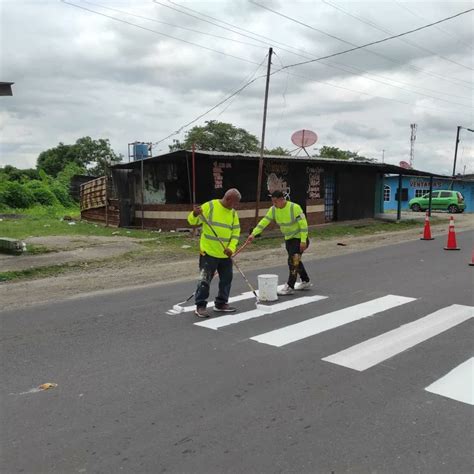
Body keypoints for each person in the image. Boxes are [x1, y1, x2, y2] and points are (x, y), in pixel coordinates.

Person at [187, 188, 241, 318]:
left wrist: (231, 248)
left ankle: (221, 303)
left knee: (227, 279)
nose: (236, 206)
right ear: (228, 199)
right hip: (209, 252)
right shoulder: (210, 206)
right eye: (235, 203)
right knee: (205, 279)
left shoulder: (233, 214)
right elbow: (192, 221)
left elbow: (235, 233)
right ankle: (200, 305)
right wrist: (194, 214)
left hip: (225, 254)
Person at [247, 190, 311, 295]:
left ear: (282, 199)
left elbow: (303, 225)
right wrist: (253, 234)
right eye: (273, 202)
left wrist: (303, 241)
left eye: (275, 201)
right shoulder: (273, 210)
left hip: (299, 239)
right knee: (296, 261)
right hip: (288, 239)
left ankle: (290, 286)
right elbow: (264, 222)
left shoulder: (294, 208)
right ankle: (305, 281)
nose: (274, 204)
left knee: (292, 261)